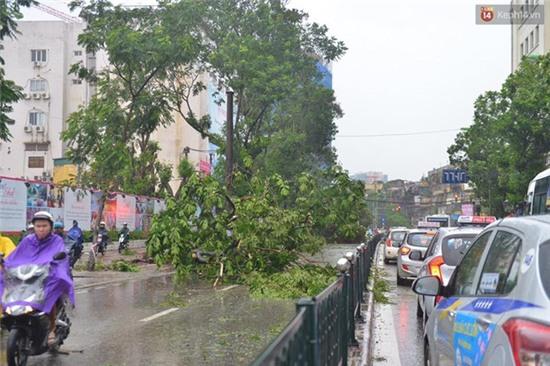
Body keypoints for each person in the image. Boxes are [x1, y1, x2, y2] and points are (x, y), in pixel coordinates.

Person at [1, 211, 74, 346]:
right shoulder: (28, 240)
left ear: (50, 227)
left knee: (49, 296)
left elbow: (61, 257)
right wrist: (4, 263)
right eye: (38, 226)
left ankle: (52, 329)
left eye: (44, 226)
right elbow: (15, 257)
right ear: (33, 227)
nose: (41, 229)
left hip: (49, 276)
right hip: (31, 277)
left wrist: (54, 266)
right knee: (8, 285)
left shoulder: (56, 241)